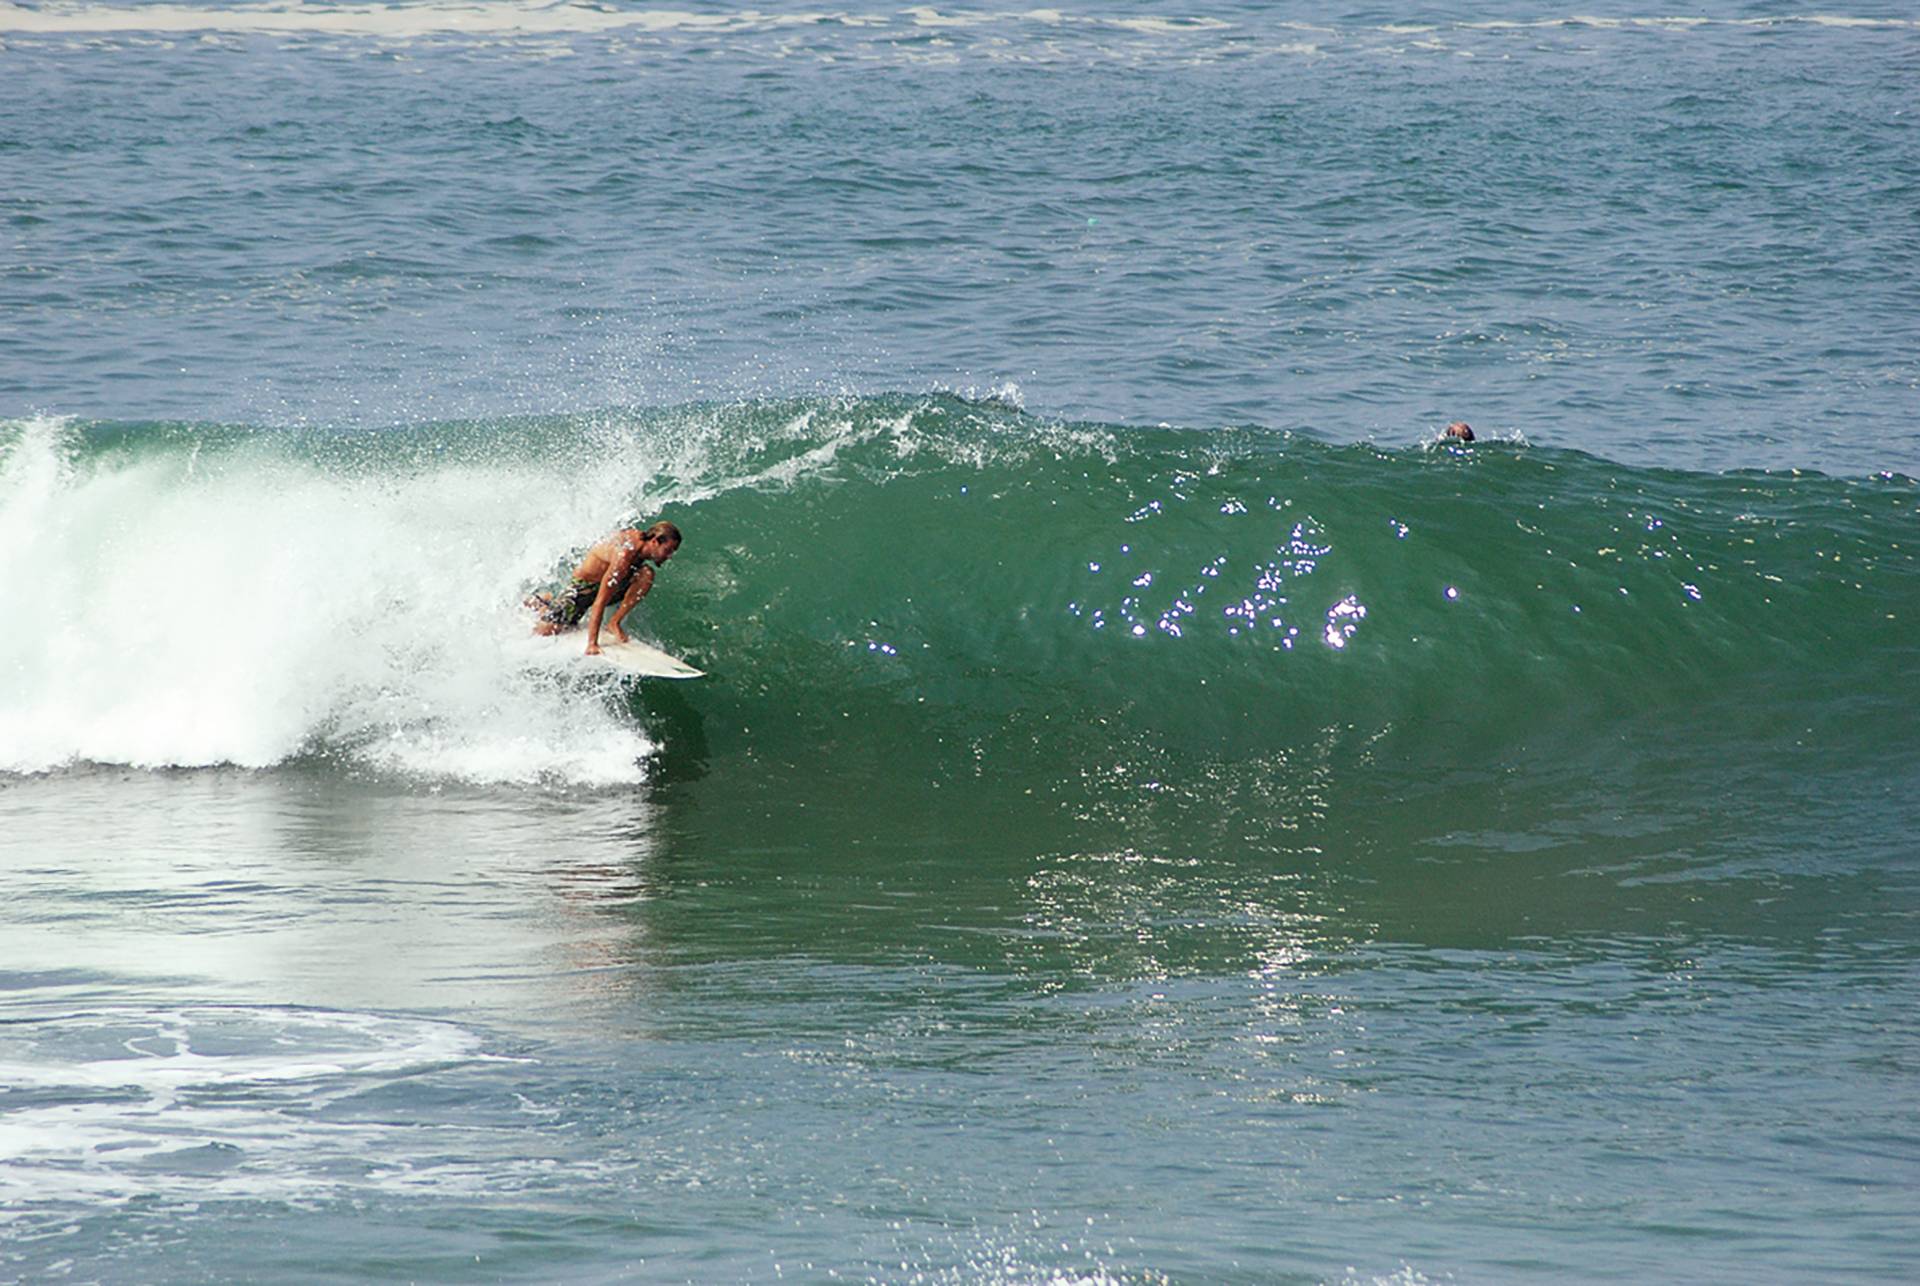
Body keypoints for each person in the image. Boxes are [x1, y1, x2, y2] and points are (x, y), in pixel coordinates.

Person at [529, 521, 681, 655]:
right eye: (667, 550)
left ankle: (613, 623)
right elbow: (600, 601)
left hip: (608, 582)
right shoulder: (624, 555)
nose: (669, 556)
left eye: (672, 552)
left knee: (646, 574)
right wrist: (592, 644)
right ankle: (542, 602)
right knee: (545, 630)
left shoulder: (642, 547)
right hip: (584, 587)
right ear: (654, 541)